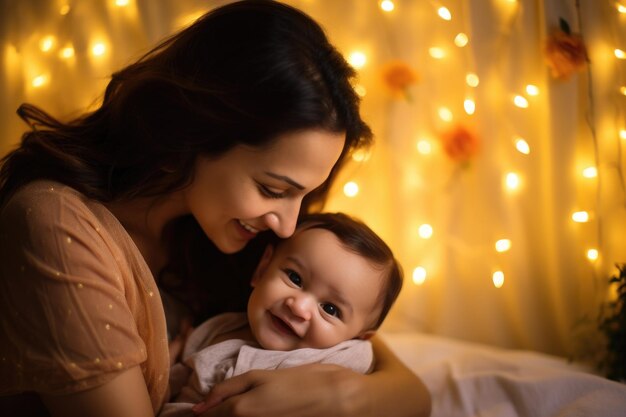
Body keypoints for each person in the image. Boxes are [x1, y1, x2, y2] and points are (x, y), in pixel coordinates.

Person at [0, 1, 432, 416]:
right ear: (187, 134)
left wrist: (345, 398)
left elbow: (405, 386)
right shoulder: (56, 227)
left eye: (303, 196)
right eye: (271, 187)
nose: (286, 227)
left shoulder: (232, 236)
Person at [160, 212, 403, 417]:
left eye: (330, 309)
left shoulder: (335, 361)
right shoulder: (220, 326)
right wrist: (167, 361)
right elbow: (174, 383)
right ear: (262, 269)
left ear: (357, 338)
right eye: (294, 278)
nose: (298, 307)